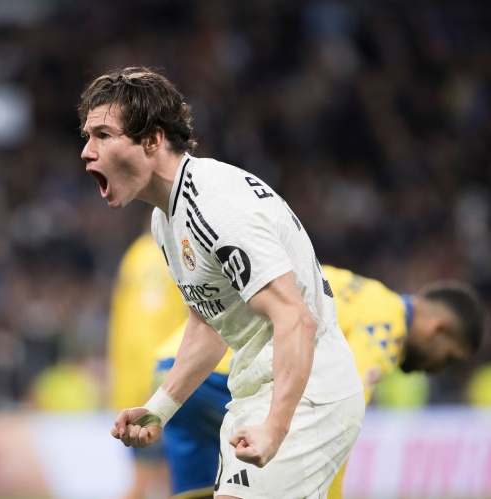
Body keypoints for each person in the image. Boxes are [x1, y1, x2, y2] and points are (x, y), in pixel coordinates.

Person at [79, 67, 364, 498]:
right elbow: (211, 322)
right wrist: (159, 410)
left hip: (306, 398)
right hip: (254, 397)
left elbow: (295, 318)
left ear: (152, 140)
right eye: (87, 136)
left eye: (103, 135)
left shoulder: (218, 207)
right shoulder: (166, 219)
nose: (87, 151)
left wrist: (275, 427)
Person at [153, 264, 484, 499]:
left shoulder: (356, 288)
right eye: (449, 357)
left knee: (201, 492)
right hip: (227, 376)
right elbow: (342, 419)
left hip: (178, 366)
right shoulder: (387, 325)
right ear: (437, 330)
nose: (438, 369)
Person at [109, 230, 187, 499]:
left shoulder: (136, 255)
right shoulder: (156, 258)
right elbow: (147, 329)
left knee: (161, 480)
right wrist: (155, 391)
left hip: (145, 384)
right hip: (159, 385)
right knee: (162, 480)